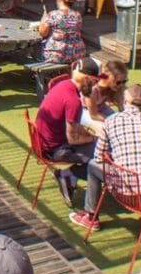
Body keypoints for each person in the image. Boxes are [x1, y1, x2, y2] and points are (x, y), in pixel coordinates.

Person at [70, 85, 141, 232]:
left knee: (92, 165)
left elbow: (99, 156)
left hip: (126, 193)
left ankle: (91, 216)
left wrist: (117, 156)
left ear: (125, 101)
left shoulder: (111, 121)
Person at [35, 58, 101, 206]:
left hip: (42, 141)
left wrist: (87, 135)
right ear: (86, 78)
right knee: (99, 156)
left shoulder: (63, 85)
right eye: (95, 81)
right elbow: (73, 140)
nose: (95, 85)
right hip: (54, 150)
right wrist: (92, 139)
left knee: (95, 147)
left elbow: (74, 126)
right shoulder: (73, 100)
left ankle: (68, 177)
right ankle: (67, 175)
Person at [38, 0, 87, 65]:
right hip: (77, 53)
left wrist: (44, 17)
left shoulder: (53, 14)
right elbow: (66, 26)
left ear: (60, 0)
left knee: (38, 47)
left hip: (58, 55)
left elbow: (42, 33)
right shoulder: (77, 15)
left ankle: (43, 74)